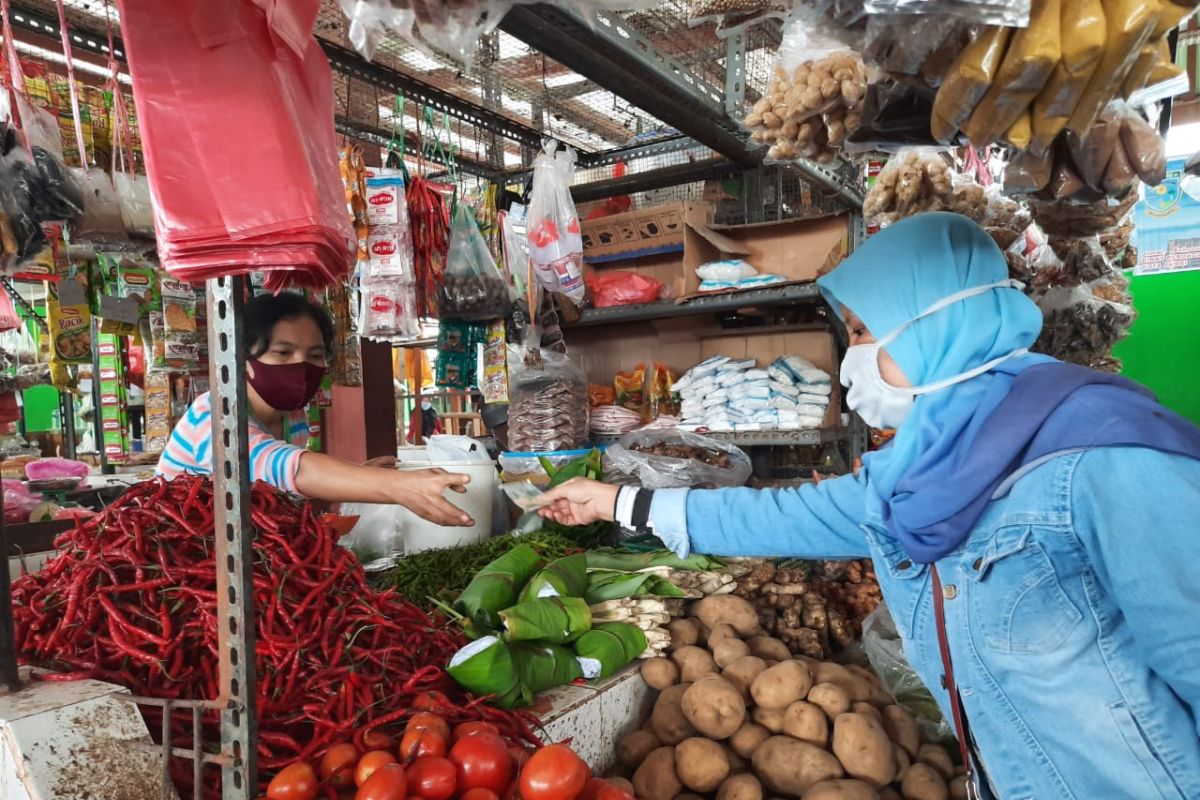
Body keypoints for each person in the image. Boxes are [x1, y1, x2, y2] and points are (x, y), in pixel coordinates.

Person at [539, 213, 1200, 799]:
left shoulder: (1107, 452)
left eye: (862, 331)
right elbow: (780, 515)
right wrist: (618, 501)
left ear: (934, 323)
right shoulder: (920, 464)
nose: (851, 355)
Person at [157, 292, 473, 527]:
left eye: (315, 355)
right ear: (242, 361)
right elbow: (286, 466)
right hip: (174, 565)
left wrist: (360, 476)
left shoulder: (292, 416)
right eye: (282, 352)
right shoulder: (216, 414)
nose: (301, 366)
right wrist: (400, 487)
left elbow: (277, 485)